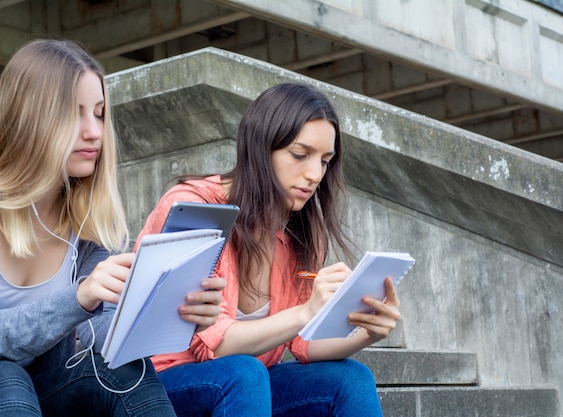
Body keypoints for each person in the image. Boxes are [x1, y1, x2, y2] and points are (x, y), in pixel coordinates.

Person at [0, 39, 225, 417]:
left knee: (123, 370)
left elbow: (97, 339)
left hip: (43, 388)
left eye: (98, 114)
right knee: (3, 379)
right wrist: (79, 297)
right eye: (75, 113)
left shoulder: (91, 215)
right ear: (29, 117)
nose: (94, 131)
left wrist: (173, 314)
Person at [135, 83, 401, 416]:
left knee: (351, 378)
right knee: (245, 372)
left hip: (248, 385)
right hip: (160, 386)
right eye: (300, 155)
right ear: (262, 148)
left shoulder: (300, 232)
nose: (315, 174)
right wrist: (307, 311)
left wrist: (367, 331)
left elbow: (302, 344)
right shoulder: (194, 208)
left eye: (325, 161)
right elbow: (212, 344)